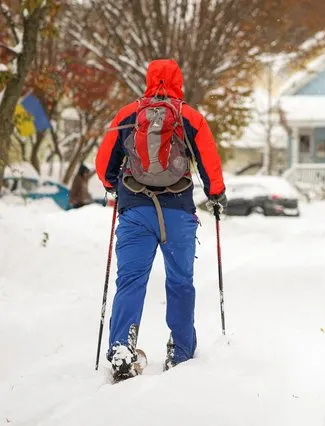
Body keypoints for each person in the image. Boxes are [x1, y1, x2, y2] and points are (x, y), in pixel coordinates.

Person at [95, 59, 227, 381]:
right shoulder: (189, 116)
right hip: (178, 213)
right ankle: (181, 351)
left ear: (149, 78)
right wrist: (216, 194)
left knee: (130, 281)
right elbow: (209, 159)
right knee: (180, 282)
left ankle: (122, 348)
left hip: (135, 211)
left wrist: (112, 184)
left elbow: (104, 163)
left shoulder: (129, 115)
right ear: (178, 80)